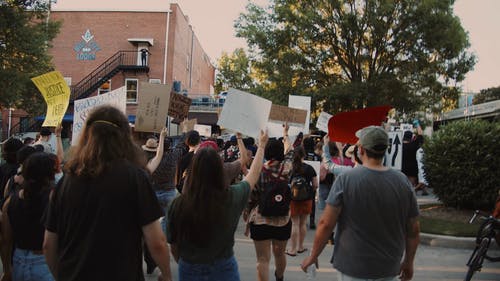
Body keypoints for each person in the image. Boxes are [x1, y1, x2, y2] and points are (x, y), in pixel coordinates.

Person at [43, 105, 172, 281]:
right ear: (125, 137)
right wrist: (167, 274)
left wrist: (61, 275)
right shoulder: (136, 177)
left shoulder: (66, 180)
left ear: (87, 135)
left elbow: (48, 244)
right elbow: (157, 243)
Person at [301, 126, 420, 281]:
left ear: (361, 150)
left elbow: (326, 223)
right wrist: (409, 263)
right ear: (385, 150)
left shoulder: (346, 180)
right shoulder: (403, 182)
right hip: (388, 266)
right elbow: (413, 229)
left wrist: (313, 255)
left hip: (352, 266)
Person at [166, 130, 268, 281]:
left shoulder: (177, 204)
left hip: (189, 267)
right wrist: (261, 147)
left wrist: (185, 262)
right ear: (220, 169)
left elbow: (173, 246)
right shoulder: (233, 196)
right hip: (224, 268)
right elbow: (253, 174)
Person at [246, 125, 293, 281]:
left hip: (260, 219)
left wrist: (247, 212)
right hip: (283, 219)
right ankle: (279, 277)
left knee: (262, 259)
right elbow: (291, 152)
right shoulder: (287, 168)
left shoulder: (258, 170)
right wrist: (285, 134)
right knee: (280, 254)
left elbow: (251, 195)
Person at [2, 152, 56, 281]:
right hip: (45, 263)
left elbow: (5, 240)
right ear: (50, 173)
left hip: (19, 261)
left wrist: (7, 269)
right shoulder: (54, 198)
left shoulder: (10, 201)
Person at [287, 146, 318, 257]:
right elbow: (315, 184)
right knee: (303, 223)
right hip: (307, 198)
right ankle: (300, 247)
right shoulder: (309, 168)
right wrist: (311, 191)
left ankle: (293, 249)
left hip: (293, 199)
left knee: (294, 223)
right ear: (304, 155)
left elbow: (287, 184)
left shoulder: (291, 169)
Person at [401, 121, 424, 187]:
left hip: (402, 167)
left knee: (402, 186)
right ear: (411, 138)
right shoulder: (413, 144)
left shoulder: (399, 146)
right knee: (410, 187)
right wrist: (417, 124)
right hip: (412, 168)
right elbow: (420, 134)